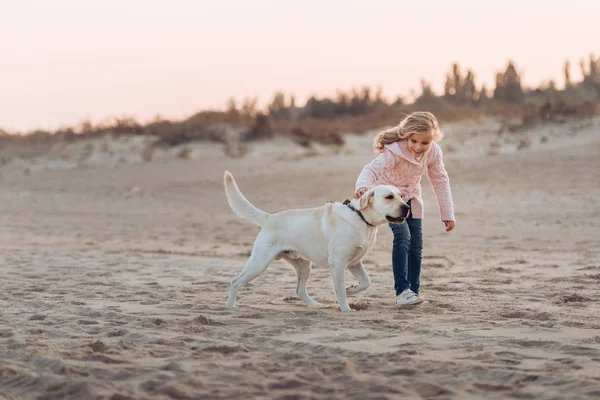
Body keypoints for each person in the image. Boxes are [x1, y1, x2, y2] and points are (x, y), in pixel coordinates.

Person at [354, 111, 455, 305]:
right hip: (389, 201)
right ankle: (402, 291)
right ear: (407, 136)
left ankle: (412, 293)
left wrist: (447, 213)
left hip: (411, 199)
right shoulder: (394, 151)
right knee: (403, 237)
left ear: (432, 140)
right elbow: (371, 170)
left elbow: (440, 180)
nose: (419, 147)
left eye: (424, 143)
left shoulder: (433, 152)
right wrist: (363, 187)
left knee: (416, 246)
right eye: (414, 141)